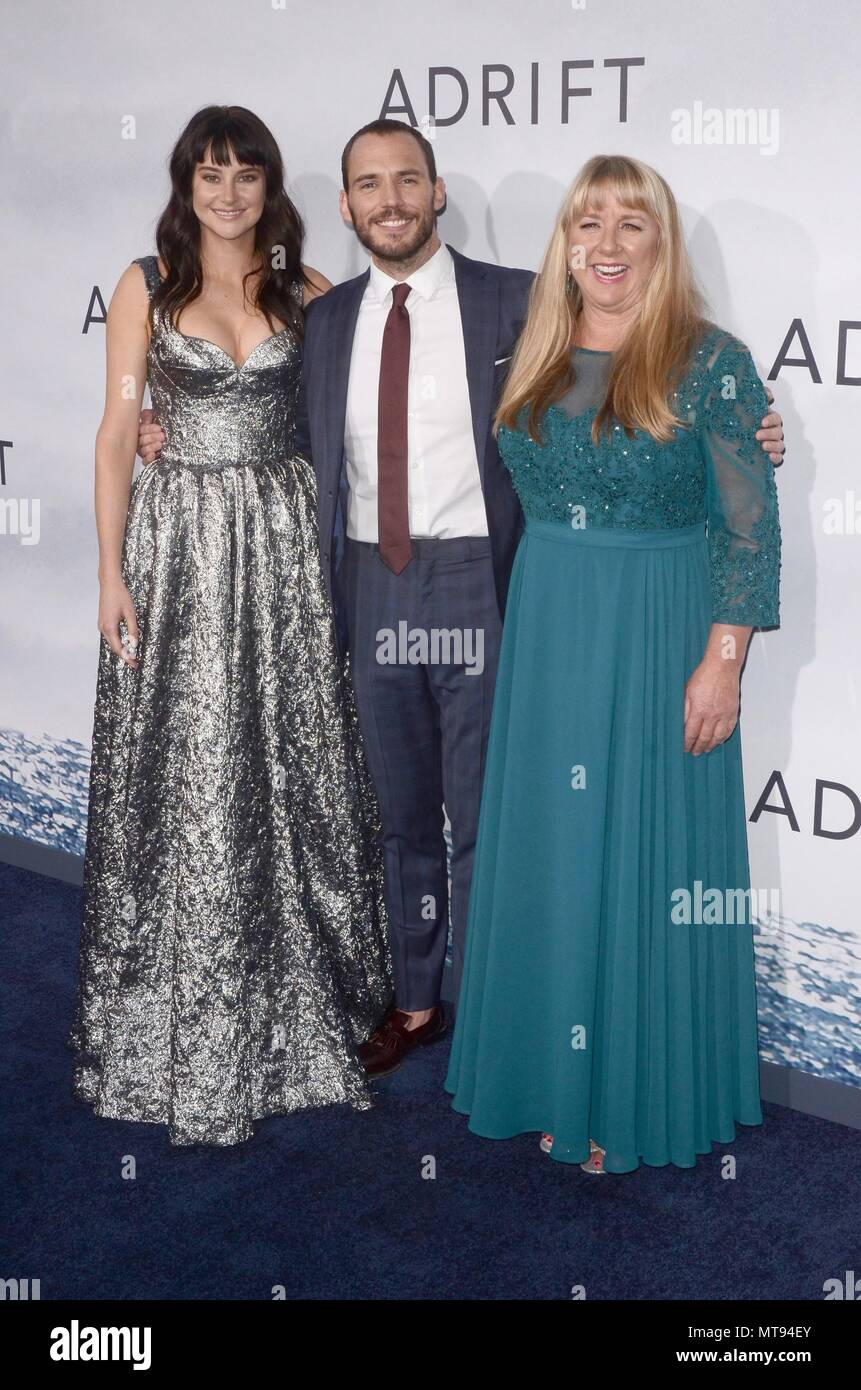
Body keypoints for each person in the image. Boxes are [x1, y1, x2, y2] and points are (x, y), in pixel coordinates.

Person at [140, 121, 786, 1083]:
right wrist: (167, 427)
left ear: (437, 192)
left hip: (488, 582)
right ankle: (415, 1000)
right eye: (369, 184)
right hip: (371, 580)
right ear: (346, 205)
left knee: (497, 817)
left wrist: (750, 432)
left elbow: (635, 387)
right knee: (399, 812)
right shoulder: (321, 315)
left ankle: (496, 1015)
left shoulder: (521, 302)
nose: (390, 199)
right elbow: (264, 417)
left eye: (408, 179)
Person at [444, 155, 781, 1175]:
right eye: (588, 222)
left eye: (632, 224)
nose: (607, 243)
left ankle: (629, 1097)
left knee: (641, 854)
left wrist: (723, 661)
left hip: (658, 626)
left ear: (660, 245)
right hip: (550, 624)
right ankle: (548, 1076)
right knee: (555, 851)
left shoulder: (711, 361)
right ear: (564, 243)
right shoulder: (532, 349)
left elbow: (748, 530)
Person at [70, 105, 392, 1148]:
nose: (227, 193)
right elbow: (117, 430)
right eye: (209, 174)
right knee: (193, 766)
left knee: (290, 763)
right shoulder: (145, 286)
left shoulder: (310, 292)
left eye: (246, 175)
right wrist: (110, 573)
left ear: (270, 187)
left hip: (285, 551)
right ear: (186, 184)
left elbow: (371, 417)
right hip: (178, 549)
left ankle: (302, 1000)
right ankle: (172, 1014)